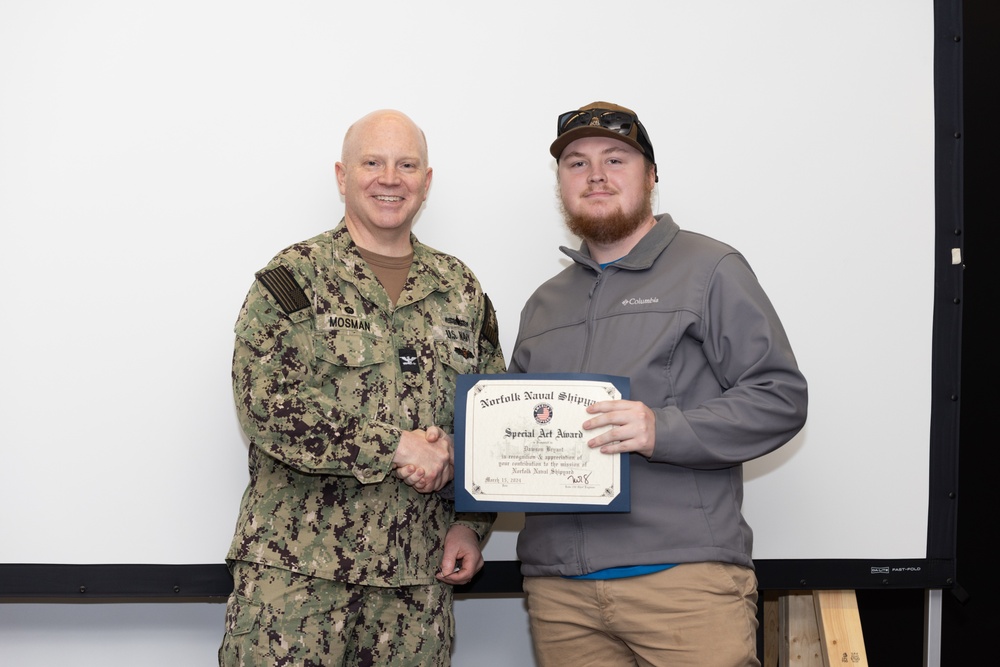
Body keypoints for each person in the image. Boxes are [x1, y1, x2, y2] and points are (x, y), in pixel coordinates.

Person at [509, 101, 808, 667]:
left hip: (684, 587)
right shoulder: (544, 303)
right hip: (560, 594)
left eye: (615, 158)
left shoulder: (711, 268)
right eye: (576, 163)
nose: (595, 175)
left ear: (651, 175)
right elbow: (516, 434)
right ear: (561, 185)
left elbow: (780, 396)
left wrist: (659, 428)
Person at [218, 109, 505, 666]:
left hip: (415, 587)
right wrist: (396, 445)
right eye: (372, 162)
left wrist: (470, 523)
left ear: (426, 181)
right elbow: (266, 404)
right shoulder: (295, 277)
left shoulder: (461, 290)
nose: (390, 178)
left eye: (406, 165)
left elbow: (492, 415)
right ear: (342, 175)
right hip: (297, 581)